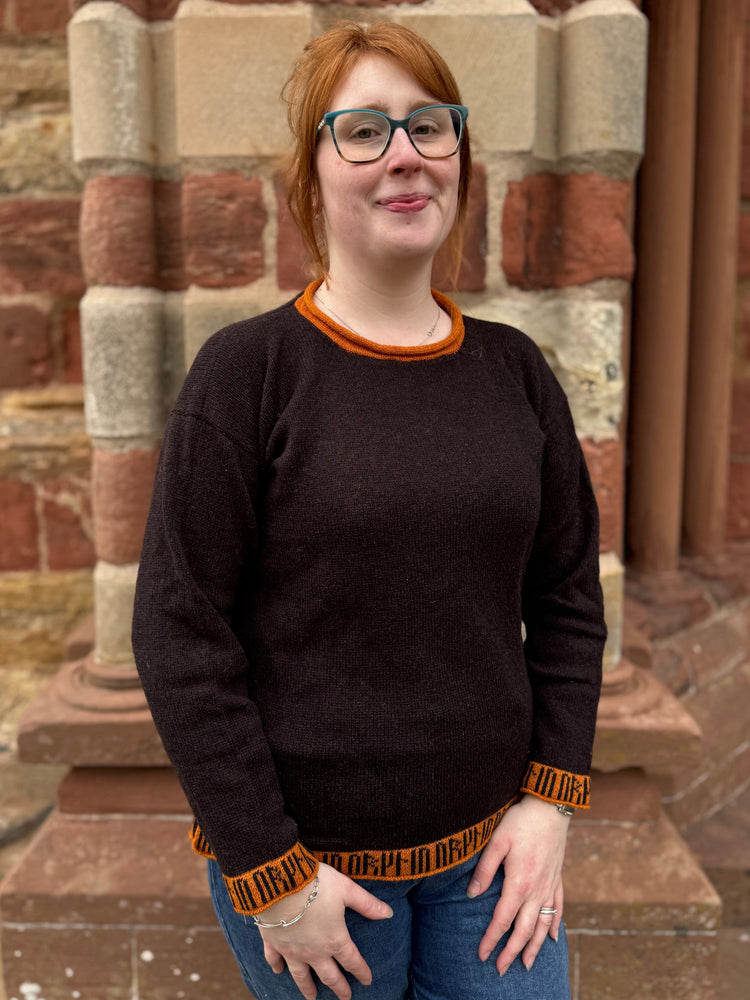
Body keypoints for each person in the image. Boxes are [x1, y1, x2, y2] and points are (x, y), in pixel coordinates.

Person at [132, 19, 606, 1000]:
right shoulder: (247, 375)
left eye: (431, 127)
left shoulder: (514, 371)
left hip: (492, 858)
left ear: (461, 158)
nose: (405, 155)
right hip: (315, 872)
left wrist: (549, 802)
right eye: (364, 130)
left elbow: (565, 599)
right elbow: (180, 633)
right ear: (312, 173)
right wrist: (271, 874)